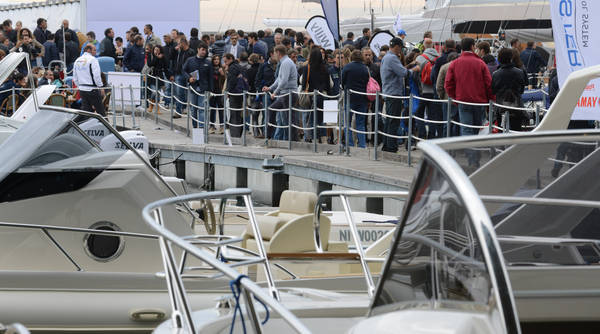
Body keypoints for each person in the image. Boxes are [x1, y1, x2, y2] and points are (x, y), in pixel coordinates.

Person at [445, 37, 493, 167]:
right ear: (473, 46)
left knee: (466, 130)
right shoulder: (481, 63)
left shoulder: (455, 63)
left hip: (463, 101)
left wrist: (455, 98)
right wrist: (490, 100)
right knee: (477, 130)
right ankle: (475, 157)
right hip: (479, 102)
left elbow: (448, 84)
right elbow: (489, 84)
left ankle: (472, 159)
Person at [380, 37, 413, 152]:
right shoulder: (392, 58)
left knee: (389, 121)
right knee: (393, 121)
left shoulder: (386, 57)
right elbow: (403, 73)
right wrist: (414, 69)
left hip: (388, 92)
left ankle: (386, 145)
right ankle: (391, 147)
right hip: (394, 94)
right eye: (401, 48)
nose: (401, 51)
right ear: (397, 47)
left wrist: (409, 65)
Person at [262, 45, 298, 141]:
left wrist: (275, 92)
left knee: (289, 118)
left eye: (274, 53)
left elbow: (284, 80)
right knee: (275, 111)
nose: (273, 55)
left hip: (288, 94)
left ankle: (292, 140)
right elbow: (279, 79)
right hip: (285, 94)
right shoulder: (284, 62)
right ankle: (269, 136)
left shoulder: (286, 63)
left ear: (278, 53)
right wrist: (270, 88)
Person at [492, 48, 527, 131]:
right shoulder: (519, 72)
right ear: (511, 58)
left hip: (501, 106)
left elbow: (493, 90)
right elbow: (522, 90)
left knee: (501, 129)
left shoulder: (496, 74)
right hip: (516, 105)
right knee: (516, 130)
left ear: (499, 59)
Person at [341, 50, 369, 148]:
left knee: (347, 122)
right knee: (360, 123)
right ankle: (362, 145)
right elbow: (367, 82)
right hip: (362, 98)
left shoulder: (347, 67)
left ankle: (350, 144)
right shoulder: (365, 68)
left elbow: (342, 81)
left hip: (350, 97)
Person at [415, 38, 442, 139]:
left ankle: (422, 135)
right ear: (433, 46)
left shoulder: (420, 58)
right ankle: (431, 136)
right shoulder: (439, 58)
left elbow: (415, 74)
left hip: (423, 91)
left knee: (418, 113)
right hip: (435, 91)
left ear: (424, 46)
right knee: (432, 116)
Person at [183, 43, 213, 128]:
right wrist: (189, 78)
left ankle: (201, 128)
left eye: (205, 50)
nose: (204, 52)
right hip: (193, 87)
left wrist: (211, 91)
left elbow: (211, 77)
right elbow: (184, 71)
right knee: (193, 109)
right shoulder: (190, 60)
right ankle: (195, 127)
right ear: (198, 49)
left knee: (202, 109)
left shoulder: (208, 62)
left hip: (204, 89)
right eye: (202, 49)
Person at [73, 44, 105, 116]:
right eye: (94, 50)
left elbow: (75, 77)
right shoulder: (93, 60)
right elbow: (97, 75)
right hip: (92, 89)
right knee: (101, 112)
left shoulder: (77, 60)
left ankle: (86, 127)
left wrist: (80, 86)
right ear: (88, 50)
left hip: (82, 89)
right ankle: (105, 127)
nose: (95, 52)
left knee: (86, 113)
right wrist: (100, 87)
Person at [436, 52, 459, 137]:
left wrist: (441, 96)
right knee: (458, 123)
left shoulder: (444, 67)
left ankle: (447, 143)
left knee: (447, 122)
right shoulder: (460, 66)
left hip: (447, 98)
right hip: (460, 98)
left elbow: (439, 85)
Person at [256, 48, 278, 138]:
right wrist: (261, 90)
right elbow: (257, 79)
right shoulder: (263, 66)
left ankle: (274, 134)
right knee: (267, 113)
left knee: (276, 114)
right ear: (271, 54)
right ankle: (266, 134)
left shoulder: (280, 65)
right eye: (276, 54)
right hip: (266, 93)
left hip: (277, 92)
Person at [170, 38, 195, 117]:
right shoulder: (178, 51)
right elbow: (171, 56)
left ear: (183, 43)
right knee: (179, 93)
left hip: (188, 74)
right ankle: (178, 111)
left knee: (189, 93)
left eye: (179, 43)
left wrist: (193, 76)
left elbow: (193, 63)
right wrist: (175, 49)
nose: (178, 45)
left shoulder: (191, 52)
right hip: (179, 73)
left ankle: (191, 111)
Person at [223, 53, 246, 137]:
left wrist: (227, 92)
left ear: (230, 59)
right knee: (239, 114)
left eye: (226, 61)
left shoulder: (232, 68)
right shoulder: (240, 66)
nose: (225, 63)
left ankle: (234, 134)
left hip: (234, 93)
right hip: (241, 93)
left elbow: (231, 81)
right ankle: (239, 133)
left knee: (233, 114)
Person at [147, 45, 170, 113]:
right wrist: (156, 57)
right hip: (152, 76)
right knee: (154, 92)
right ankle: (151, 104)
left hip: (160, 76)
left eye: (158, 50)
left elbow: (166, 67)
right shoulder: (151, 56)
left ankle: (157, 108)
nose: (156, 51)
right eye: (155, 50)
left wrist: (169, 76)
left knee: (158, 93)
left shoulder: (163, 57)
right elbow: (150, 64)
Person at [209, 54, 226, 133]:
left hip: (220, 91)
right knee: (212, 109)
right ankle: (212, 126)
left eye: (218, 59)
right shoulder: (210, 69)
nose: (216, 60)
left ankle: (222, 126)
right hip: (212, 91)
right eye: (215, 59)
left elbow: (225, 80)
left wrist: (222, 74)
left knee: (221, 109)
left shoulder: (222, 69)